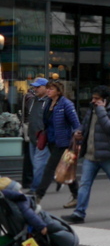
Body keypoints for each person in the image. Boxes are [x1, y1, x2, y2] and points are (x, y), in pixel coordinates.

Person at [68, 85, 110, 222]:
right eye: (93, 98)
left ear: (105, 100)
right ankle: (79, 213)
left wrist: (101, 110)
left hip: (108, 154)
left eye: (97, 99)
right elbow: (84, 124)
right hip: (91, 154)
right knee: (85, 183)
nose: (93, 101)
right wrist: (78, 132)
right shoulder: (92, 109)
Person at [32, 80, 80, 210]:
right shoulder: (48, 103)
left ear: (58, 91)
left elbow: (76, 124)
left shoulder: (66, 104)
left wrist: (77, 138)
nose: (48, 91)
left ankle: (38, 196)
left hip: (63, 142)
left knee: (49, 168)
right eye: (47, 89)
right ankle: (77, 196)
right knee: (66, 169)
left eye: (51, 89)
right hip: (51, 140)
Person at [20, 77, 50, 191]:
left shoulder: (50, 102)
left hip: (43, 137)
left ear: (46, 88)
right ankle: (43, 182)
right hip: (33, 136)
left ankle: (35, 188)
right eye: (34, 86)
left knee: (38, 164)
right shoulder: (32, 100)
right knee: (35, 164)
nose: (35, 89)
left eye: (38, 87)